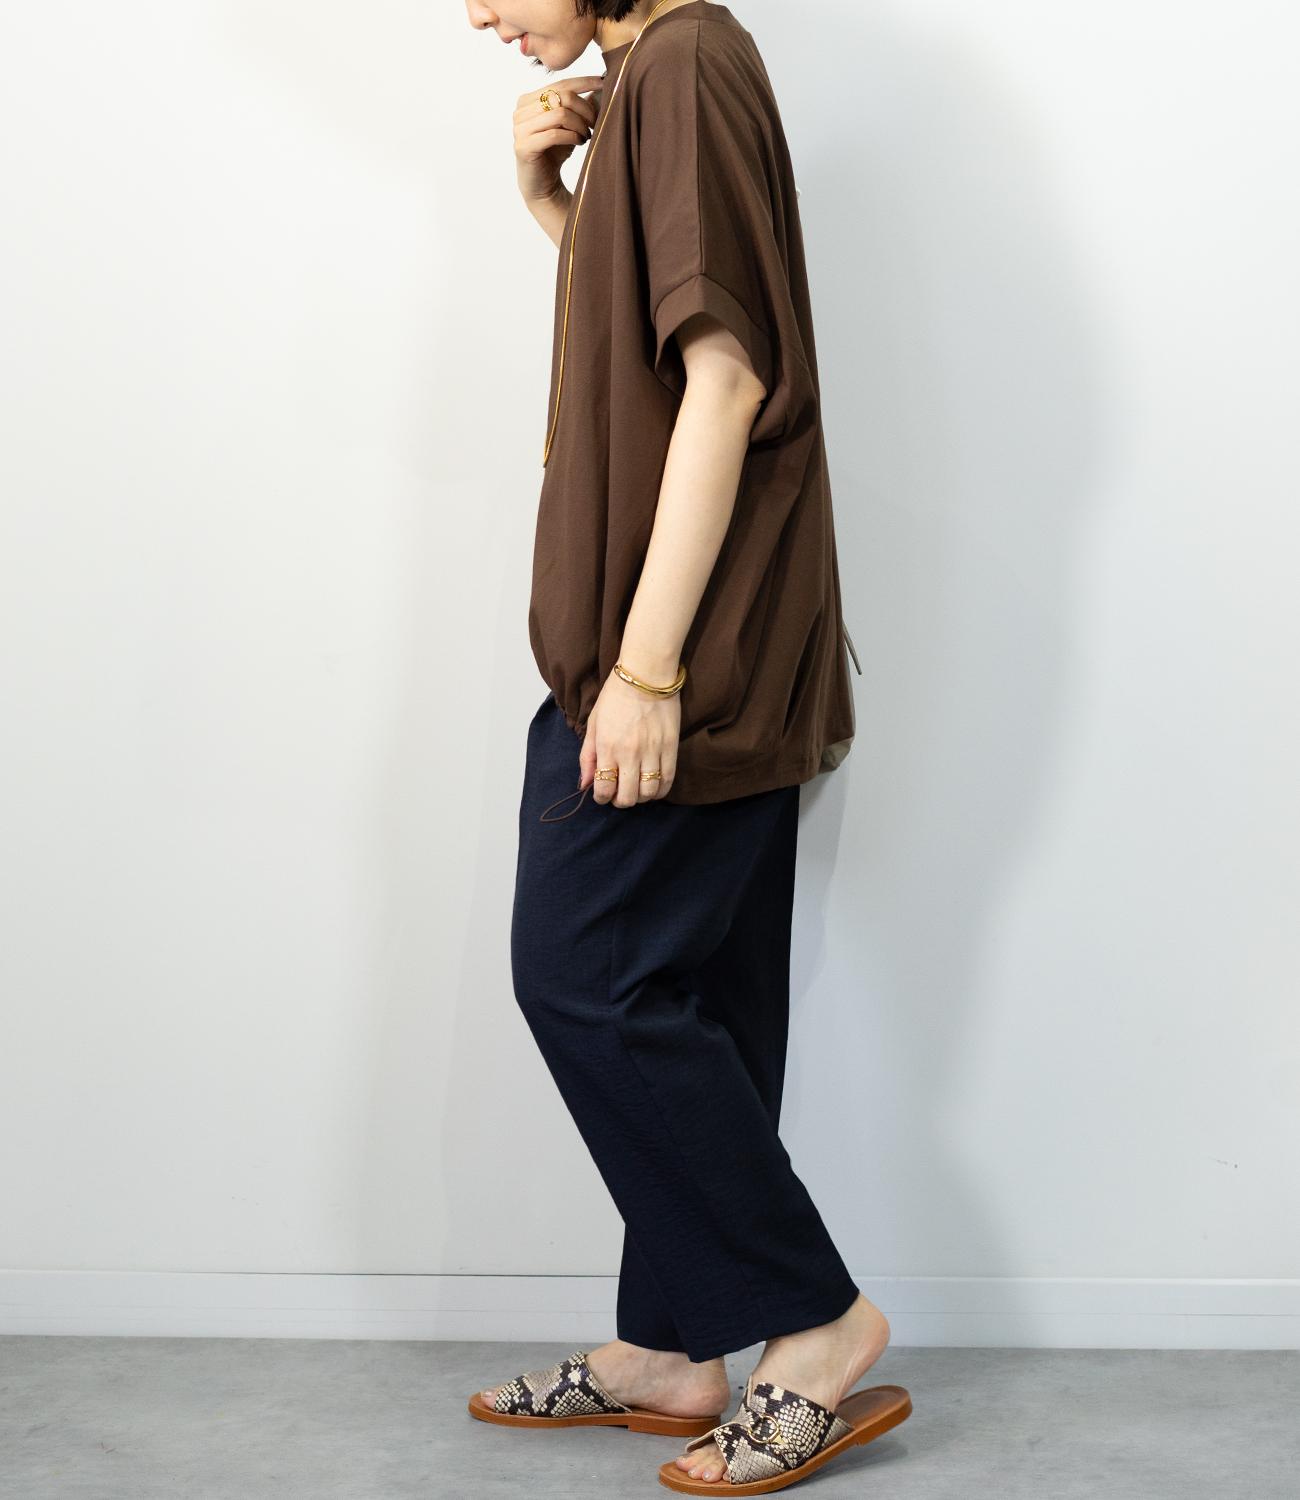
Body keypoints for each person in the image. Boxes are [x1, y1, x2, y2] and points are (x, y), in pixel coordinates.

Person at [462, 1, 911, 1491]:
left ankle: (817, 1323)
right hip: (692, 654)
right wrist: (554, 209)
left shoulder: (690, 66)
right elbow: (654, 343)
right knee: (692, 1000)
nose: (476, 13)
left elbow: (726, 383)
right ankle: (670, 1346)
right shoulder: (666, 68)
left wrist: (647, 671)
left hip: (681, 662)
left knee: (582, 976)